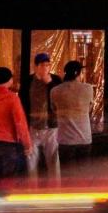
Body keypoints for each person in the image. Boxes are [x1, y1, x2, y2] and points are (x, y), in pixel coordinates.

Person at [23, 52, 62, 181]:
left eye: (48, 65)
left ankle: (56, 191)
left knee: (53, 160)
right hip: (33, 127)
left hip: (51, 127)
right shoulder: (29, 81)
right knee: (31, 161)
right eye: (43, 65)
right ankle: (32, 190)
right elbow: (23, 101)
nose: (46, 68)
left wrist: (50, 84)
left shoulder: (55, 80)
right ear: (36, 66)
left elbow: (60, 99)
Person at [51, 60, 94, 168]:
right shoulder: (88, 88)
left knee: (67, 176)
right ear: (79, 73)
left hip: (65, 139)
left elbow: (54, 110)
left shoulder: (55, 91)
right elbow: (89, 109)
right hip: (84, 138)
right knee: (83, 175)